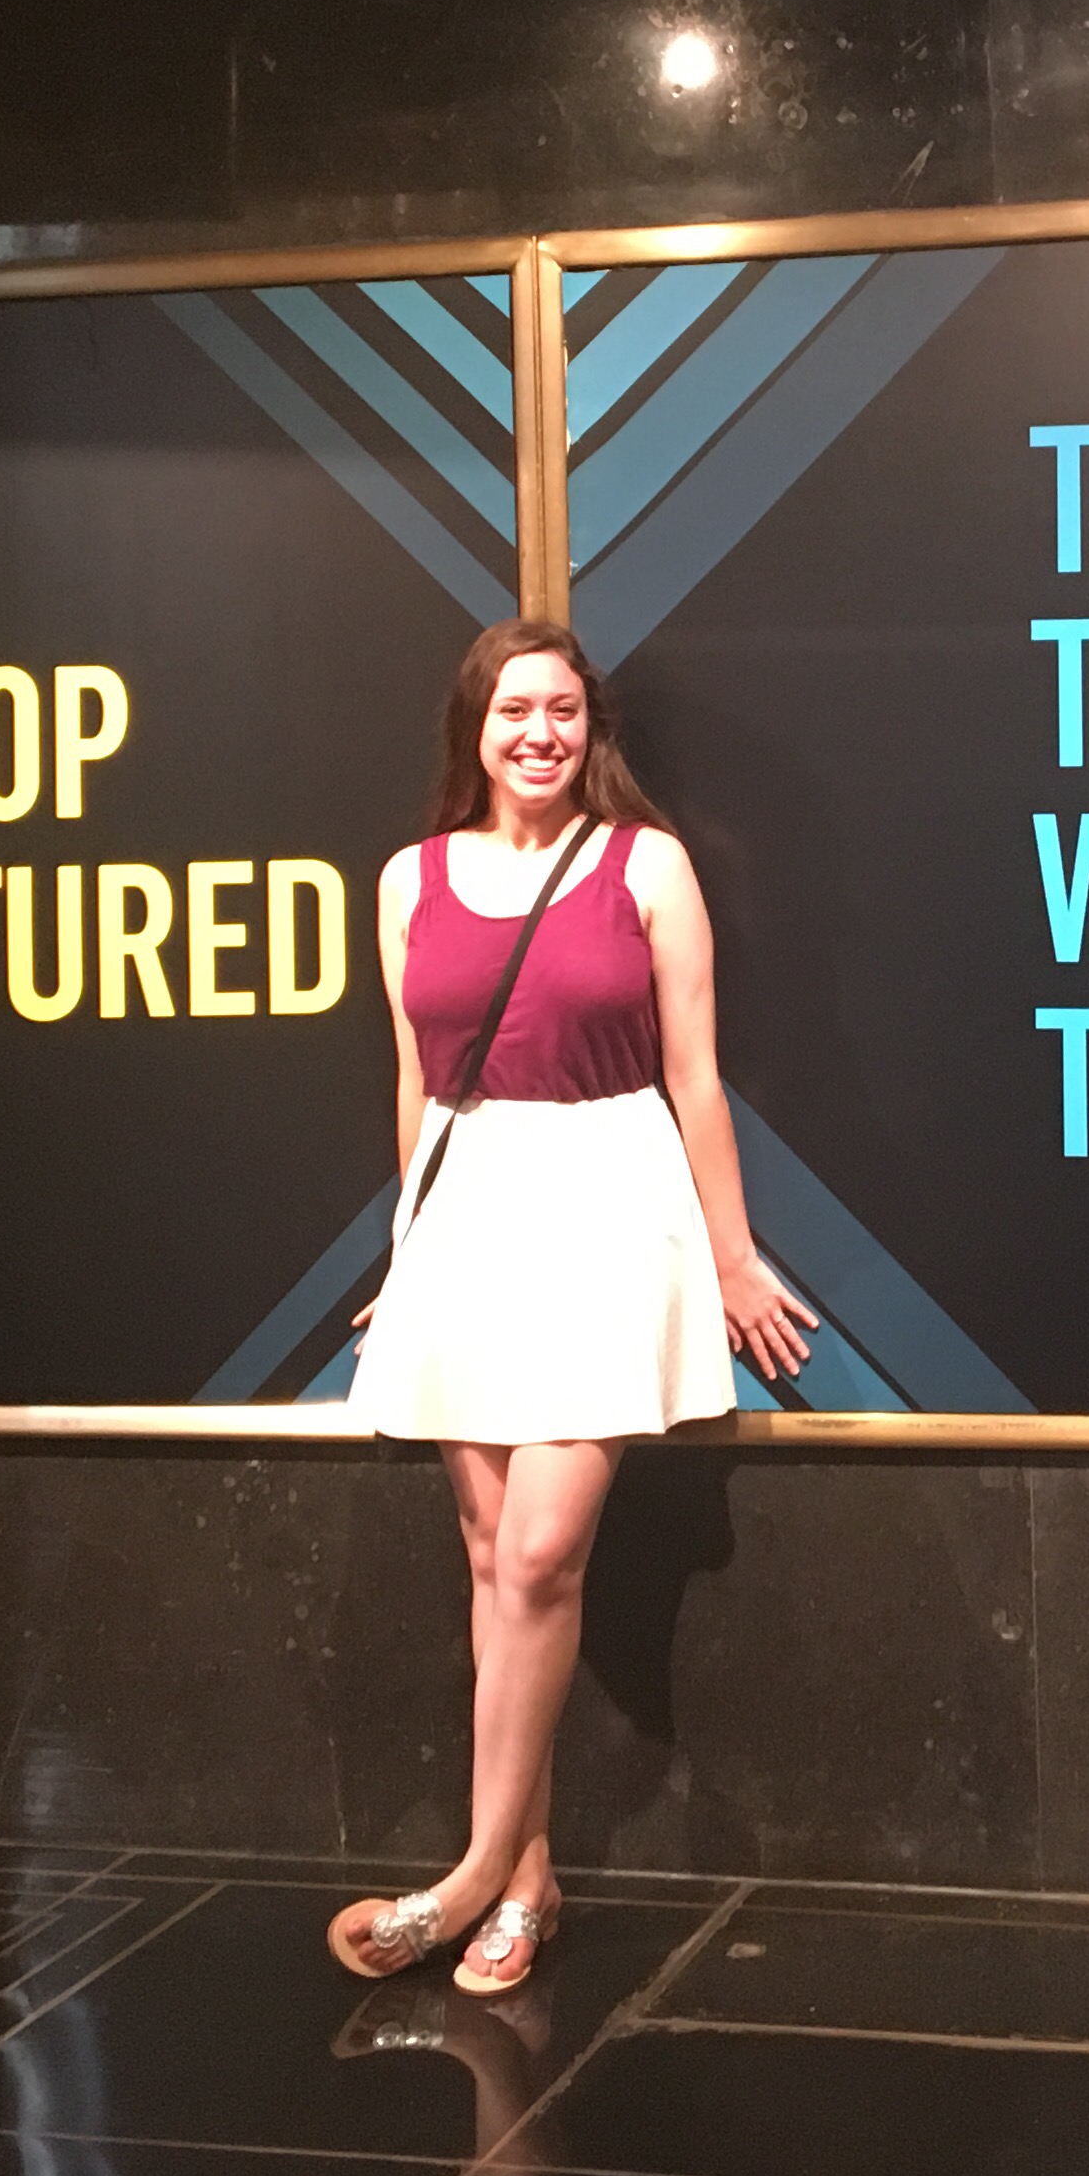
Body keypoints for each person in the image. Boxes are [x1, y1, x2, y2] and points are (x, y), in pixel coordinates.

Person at [327, 619, 817, 1994]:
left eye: (561, 710)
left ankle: (469, 1873)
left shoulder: (645, 865)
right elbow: (417, 1085)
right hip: (467, 1216)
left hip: (609, 1200)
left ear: (589, 727)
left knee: (543, 1555)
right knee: (492, 1559)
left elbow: (695, 1077)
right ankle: (526, 1882)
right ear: (474, 730)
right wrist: (407, 1251)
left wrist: (731, 1256)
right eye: (512, 711)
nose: (538, 734)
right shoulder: (410, 878)